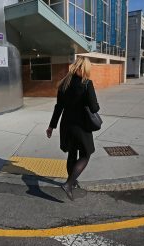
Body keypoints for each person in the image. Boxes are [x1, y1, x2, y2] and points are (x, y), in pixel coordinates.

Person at [46, 57, 99, 201]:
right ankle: (68, 184)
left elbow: (58, 108)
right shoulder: (87, 84)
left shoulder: (64, 84)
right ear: (85, 69)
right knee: (86, 154)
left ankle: (72, 181)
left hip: (66, 125)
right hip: (81, 126)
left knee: (71, 154)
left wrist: (51, 126)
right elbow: (94, 108)